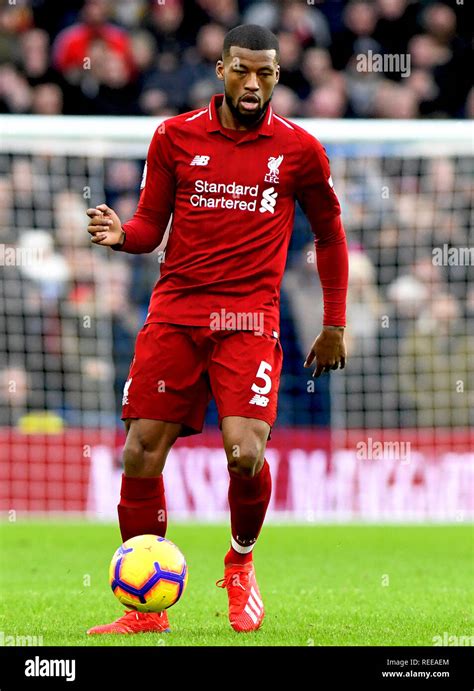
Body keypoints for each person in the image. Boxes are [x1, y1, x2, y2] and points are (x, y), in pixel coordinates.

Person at [85, 24, 348, 635]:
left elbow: (332, 235)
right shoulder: (173, 136)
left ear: (278, 76)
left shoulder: (300, 151)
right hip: (175, 312)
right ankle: (145, 613)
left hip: (248, 319)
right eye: (242, 70)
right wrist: (124, 235)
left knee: (244, 451)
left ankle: (240, 562)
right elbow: (152, 223)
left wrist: (334, 321)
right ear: (221, 69)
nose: (253, 84)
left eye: (266, 73)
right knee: (141, 451)